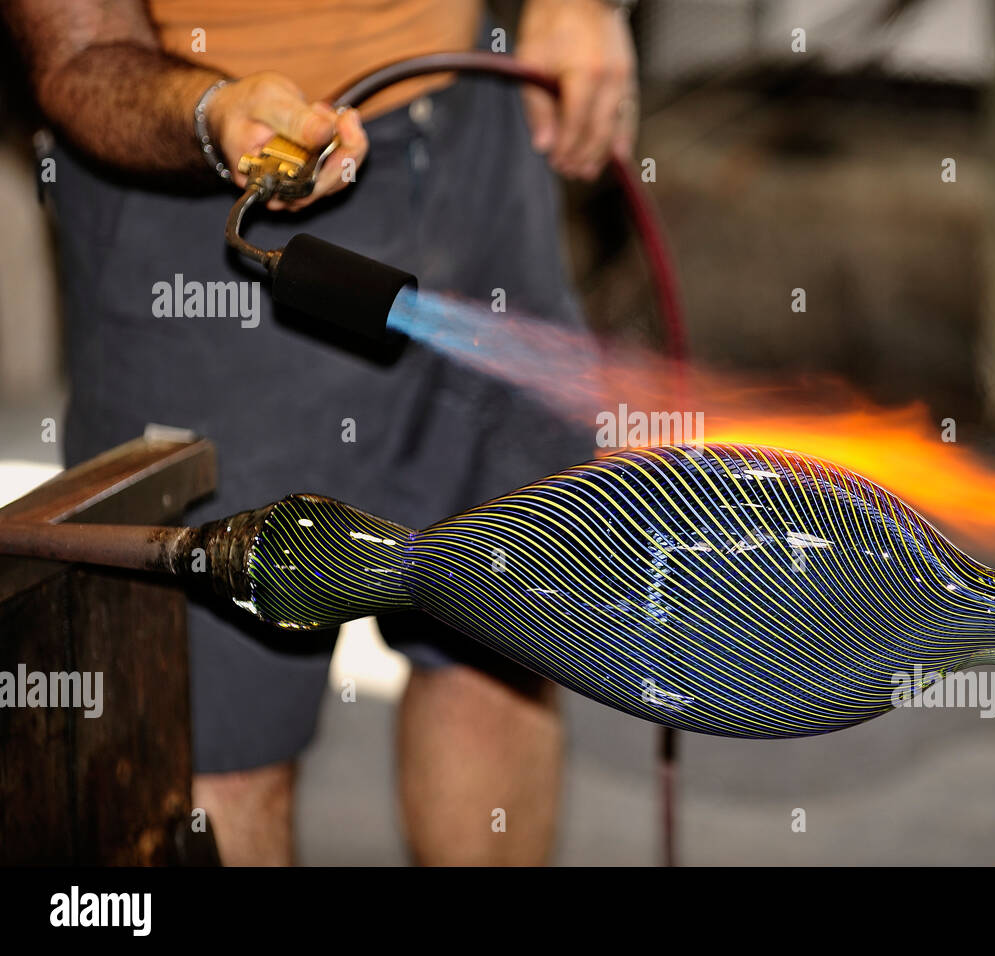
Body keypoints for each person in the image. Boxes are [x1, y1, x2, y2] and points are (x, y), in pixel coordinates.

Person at [1, 0, 637, 865]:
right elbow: (82, 56)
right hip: (200, 192)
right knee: (217, 734)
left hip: (475, 122)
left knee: (506, 641)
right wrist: (211, 113)